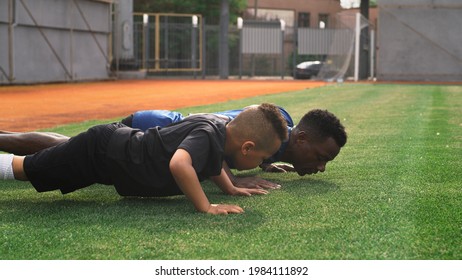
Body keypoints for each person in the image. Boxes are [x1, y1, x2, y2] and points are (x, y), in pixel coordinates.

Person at [0, 103, 288, 215]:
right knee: (26, 169)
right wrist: (206, 205)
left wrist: (230, 187)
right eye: (263, 157)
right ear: (247, 148)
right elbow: (179, 164)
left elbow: (212, 164)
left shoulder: (219, 133)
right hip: (101, 152)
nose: (263, 162)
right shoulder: (209, 133)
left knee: (35, 168)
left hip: (109, 157)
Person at [0, 107, 347, 188]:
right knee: (74, 147)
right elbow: (219, 132)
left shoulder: (276, 137)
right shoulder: (267, 126)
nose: (319, 167)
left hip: (175, 135)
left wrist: (266, 164)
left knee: (76, 149)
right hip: (159, 126)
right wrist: (228, 179)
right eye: (320, 158)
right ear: (299, 139)